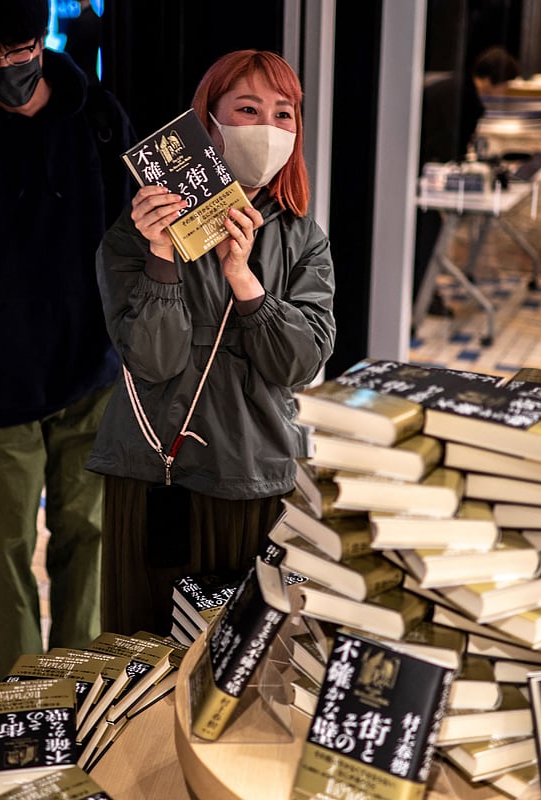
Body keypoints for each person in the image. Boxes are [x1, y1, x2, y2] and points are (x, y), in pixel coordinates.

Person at [0, 0, 134, 681]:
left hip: (89, 370)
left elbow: (130, 243)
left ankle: (80, 683)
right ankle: (24, 692)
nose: (7, 66)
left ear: (41, 37)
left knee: (88, 537)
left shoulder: (100, 120)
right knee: (2, 546)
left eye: (19, 48)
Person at [86, 49, 337, 636]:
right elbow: (153, 360)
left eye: (284, 115)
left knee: (244, 663)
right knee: (145, 654)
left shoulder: (303, 237)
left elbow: (299, 365)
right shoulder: (137, 231)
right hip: (155, 476)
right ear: (209, 123)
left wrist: (244, 278)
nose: (267, 129)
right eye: (247, 109)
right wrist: (162, 257)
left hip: (256, 470)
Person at [412, 45, 519, 321]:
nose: (503, 91)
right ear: (492, 79)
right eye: (504, 84)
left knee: (428, 233)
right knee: (428, 233)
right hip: (418, 175)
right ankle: (419, 297)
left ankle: (422, 293)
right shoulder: (463, 98)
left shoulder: (457, 88)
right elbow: (447, 146)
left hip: (419, 171)